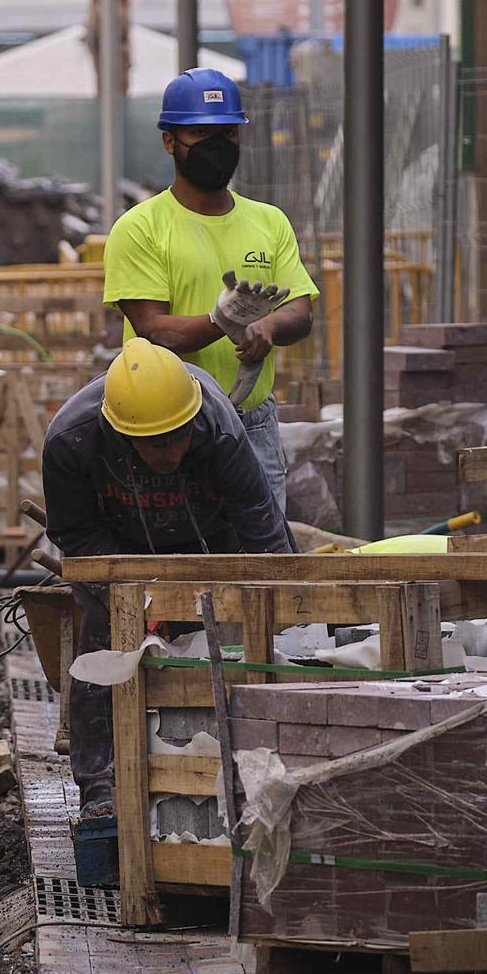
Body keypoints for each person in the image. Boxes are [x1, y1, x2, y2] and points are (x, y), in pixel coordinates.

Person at [42, 339, 292, 820]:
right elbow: (75, 535)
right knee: (104, 649)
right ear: (121, 431)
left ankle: (242, 770)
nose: (170, 451)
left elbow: (262, 527)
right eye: (155, 443)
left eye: (178, 436)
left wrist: (284, 610)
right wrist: (137, 597)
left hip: (211, 543)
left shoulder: (218, 429)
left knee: (235, 647)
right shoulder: (71, 440)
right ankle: (101, 788)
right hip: (117, 551)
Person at [103, 69, 318, 518]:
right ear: (169, 141)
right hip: (167, 428)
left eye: (226, 133)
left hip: (252, 423)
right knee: (176, 564)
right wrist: (222, 321)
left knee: (260, 566)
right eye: (199, 132)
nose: (215, 144)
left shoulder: (269, 222)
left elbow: (300, 311)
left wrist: (266, 326)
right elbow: (154, 332)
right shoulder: (140, 229)